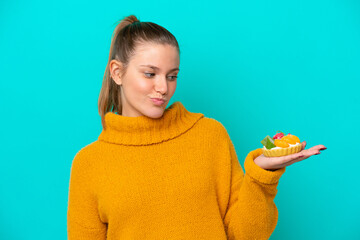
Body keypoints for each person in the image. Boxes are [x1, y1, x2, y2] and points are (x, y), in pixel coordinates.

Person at [67, 15, 326, 240]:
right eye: (150, 74)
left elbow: (246, 235)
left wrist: (261, 176)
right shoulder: (88, 165)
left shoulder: (209, 135)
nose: (163, 88)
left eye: (172, 76)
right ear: (117, 72)